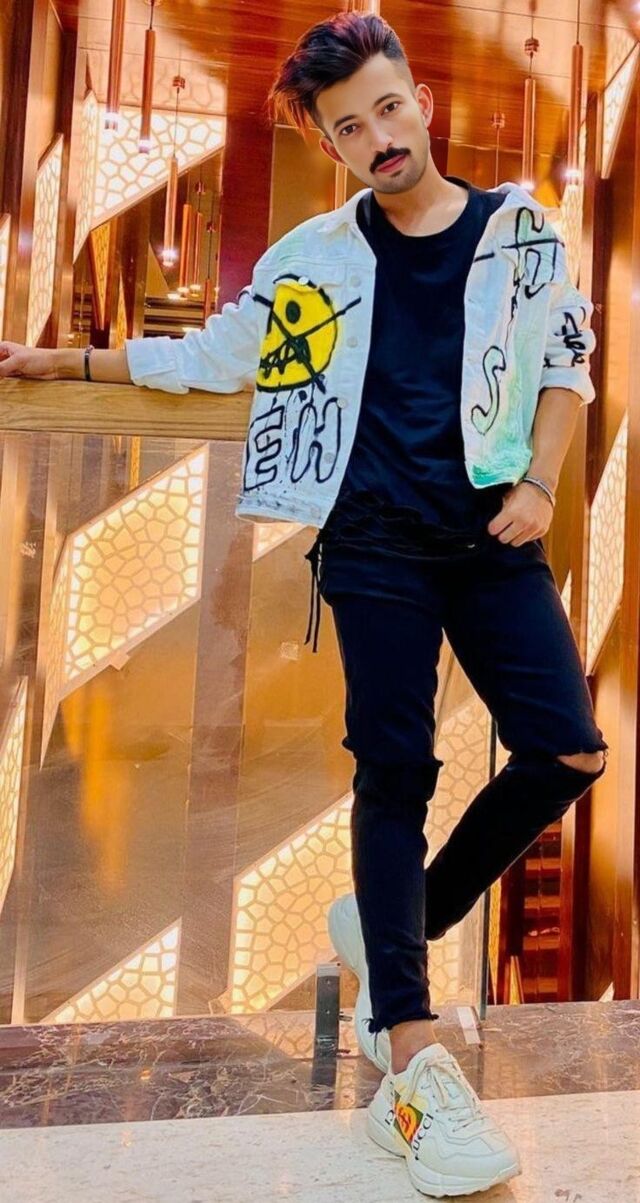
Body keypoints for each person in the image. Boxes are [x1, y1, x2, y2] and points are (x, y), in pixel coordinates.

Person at [0, 11, 608, 1197]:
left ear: (421, 100)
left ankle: (395, 924)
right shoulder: (313, 258)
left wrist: (540, 483)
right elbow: (212, 359)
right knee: (395, 772)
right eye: (349, 127)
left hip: (492, 536)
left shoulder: (520, 230)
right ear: (330, 146)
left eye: (387, 108)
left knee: (568, 749)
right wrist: (66, 362)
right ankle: (412, 1057)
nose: (378, 137)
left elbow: (564, 365)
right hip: (372, 545)